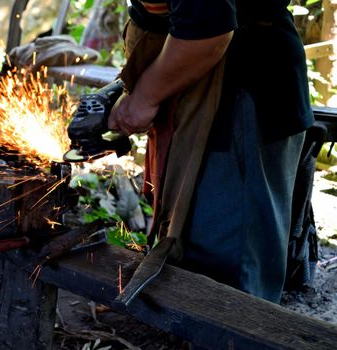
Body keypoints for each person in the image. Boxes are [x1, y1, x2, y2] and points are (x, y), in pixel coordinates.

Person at [108, 0, 314, 303]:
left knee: (229, 278)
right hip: (210, 89)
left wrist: (144, 98)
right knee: (196, 251)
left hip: (238, 95)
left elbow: (208, 30)